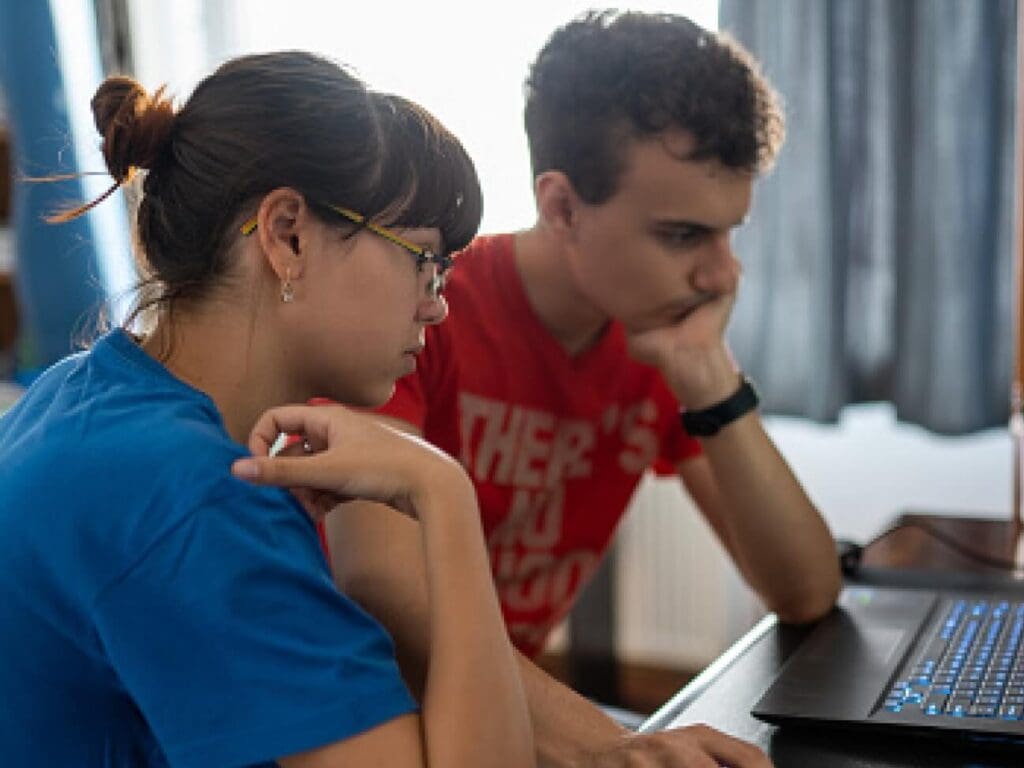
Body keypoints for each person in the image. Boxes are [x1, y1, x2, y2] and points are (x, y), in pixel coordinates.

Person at [324, 10, 841, 768]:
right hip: (360, 724)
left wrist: (712, 381)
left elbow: (805, 592)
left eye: (730, 234)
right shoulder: (420, 311)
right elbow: (382, 585)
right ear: (562, 206)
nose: (724, 275)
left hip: (507, 722)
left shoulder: (654, 334)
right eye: (682, 235)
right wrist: (616, 747)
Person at [0, 51, 537, 767]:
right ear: (287, 234)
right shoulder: (201, 494)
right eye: (424, 259)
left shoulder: (81, 392)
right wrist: (444, 494)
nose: (437, 303)